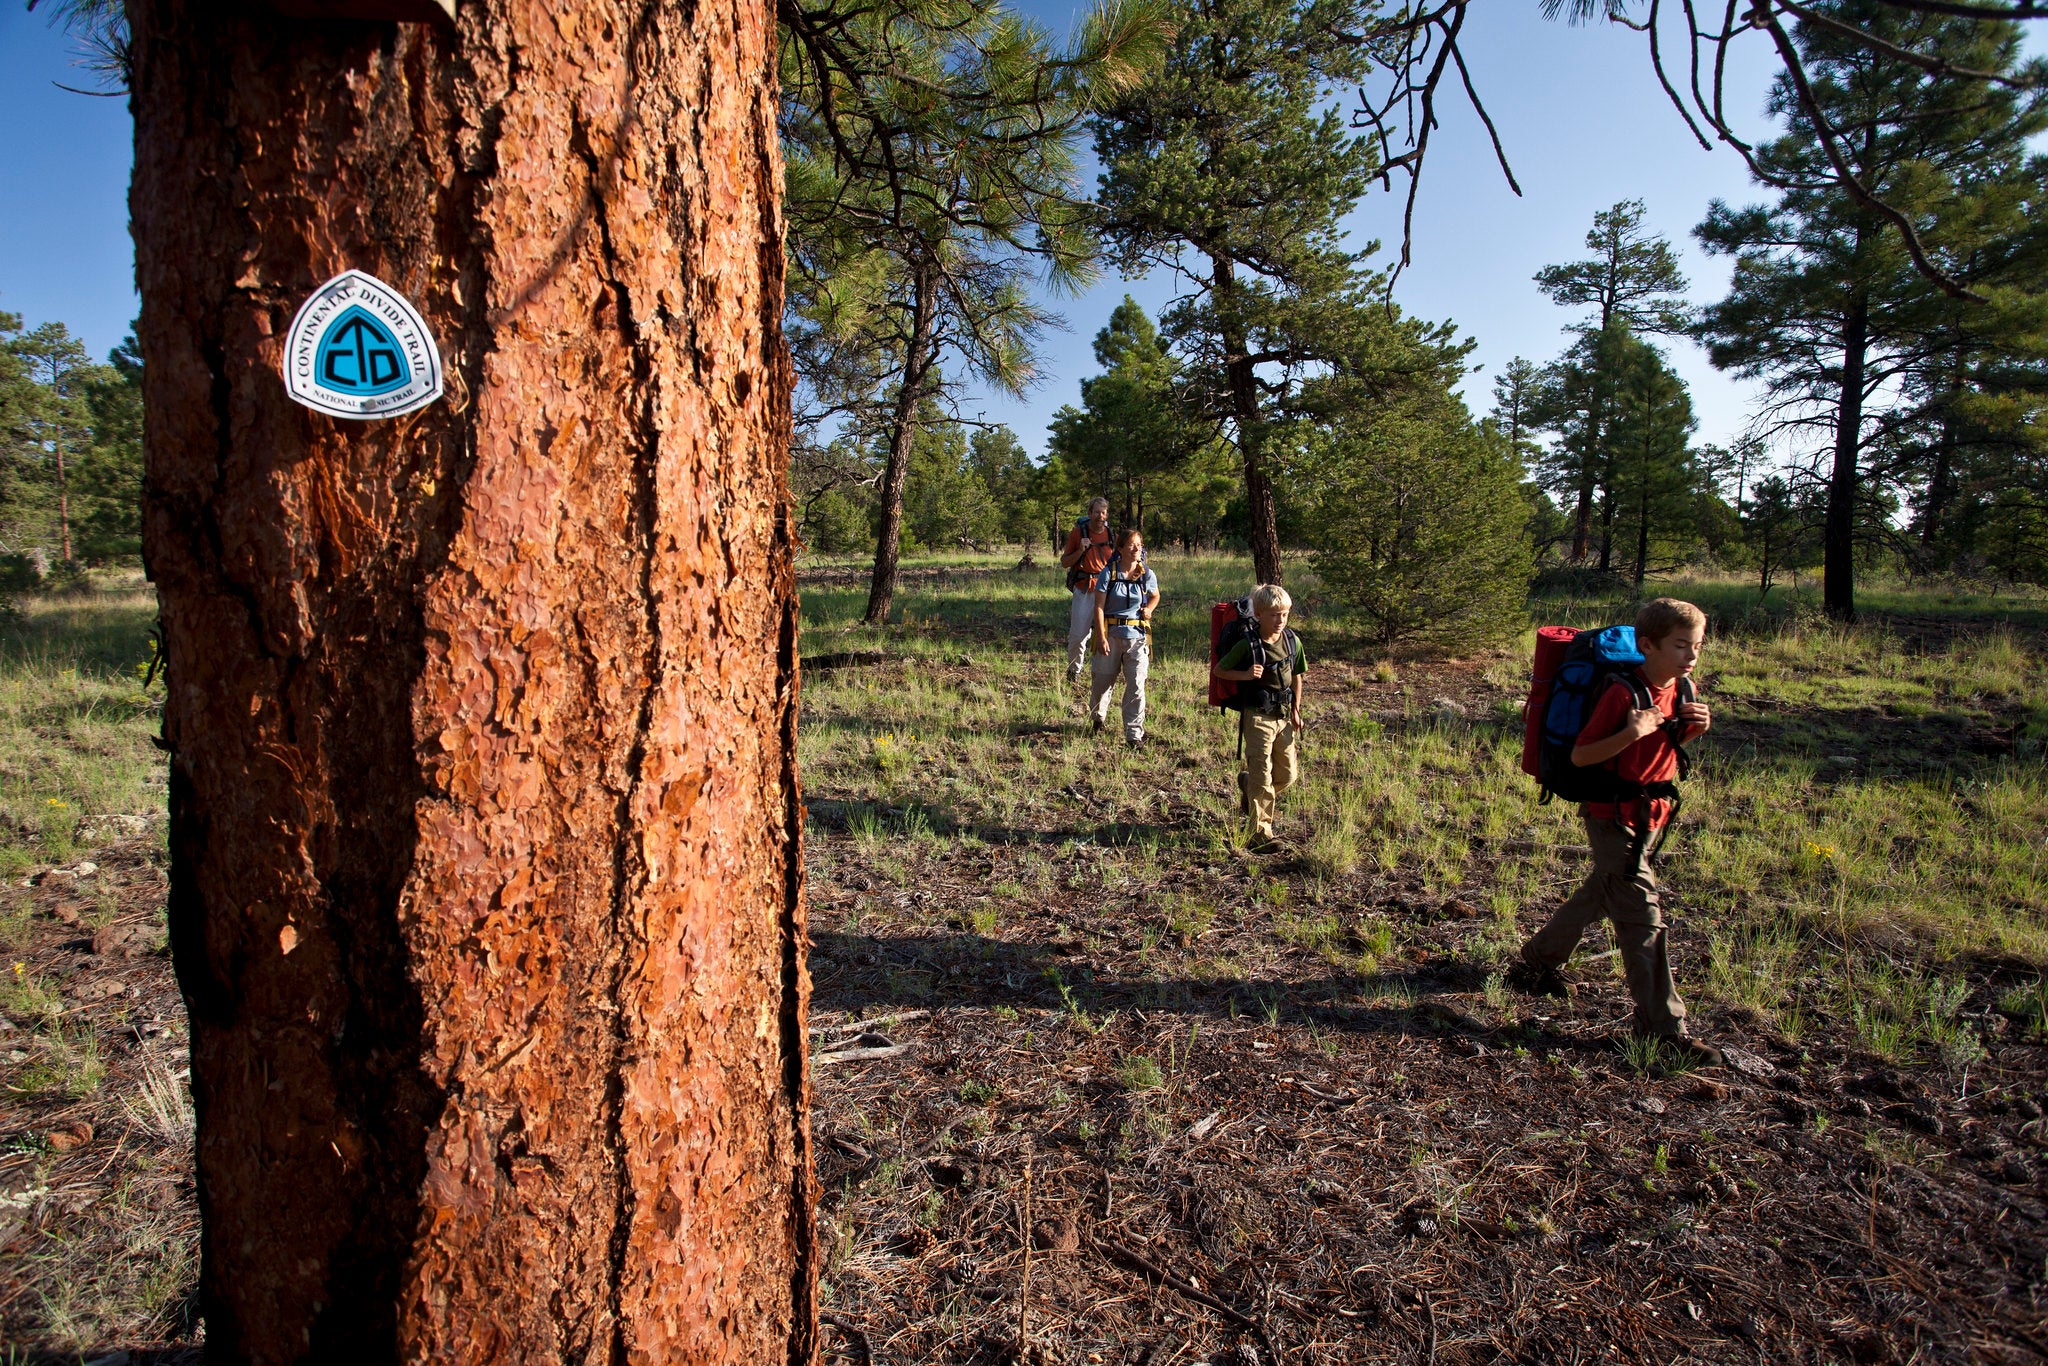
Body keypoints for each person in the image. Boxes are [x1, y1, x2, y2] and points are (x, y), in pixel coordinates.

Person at [1509, 597, 1720, 1064]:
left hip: (1651, 816)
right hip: (1611, 815)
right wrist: (1630, 731)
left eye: (1697, 645)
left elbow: (1659, 749)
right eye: (1680, 645)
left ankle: (1537, 961)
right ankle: (1663, 1029)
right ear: (1648, 645)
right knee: (1642, 918)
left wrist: (1692, 730)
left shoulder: (1683, 687)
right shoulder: (1623, 694)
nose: (1691, 655)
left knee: (1603, 890)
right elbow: (1582, 755)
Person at [1213, 584, 1304, 847]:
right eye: (1274, 615)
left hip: (1283, 717)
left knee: (1287, 775)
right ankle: (1261, 835)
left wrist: (1296, 710)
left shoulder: (1292, 641)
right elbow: (1220, 670)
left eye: (1284, 614)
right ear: (1259, 615)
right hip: (1257, 717)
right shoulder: (1248, 644)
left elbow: (1297, 676)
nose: (1280, 620)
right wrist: (1245, 675)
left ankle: (1247, 783)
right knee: (1262, 777)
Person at [1090, 528, 1159, 747]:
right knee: (1102, 681)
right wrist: (1101, 637)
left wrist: (1149, 609)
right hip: (1111, 635)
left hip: (1137, 637)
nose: (1136, 548)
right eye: (1131, 544)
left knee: (1136, 685)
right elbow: (1098, 607)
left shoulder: (1146, 574)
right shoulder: (1108, 573)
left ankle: (1133, 735)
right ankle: (1098, 717)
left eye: (1139, 544)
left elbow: (1155, 595)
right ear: (1120, 548)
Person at [1060, 498, 1117, 681]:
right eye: (1096, 512)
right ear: (1089, 513)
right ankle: (1074, 672)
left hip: (1107, 591)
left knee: (1107, 634)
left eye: (1103, 512)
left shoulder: (1112, 535)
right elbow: (1064, 562)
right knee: (1078, 635)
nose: (1100, 516)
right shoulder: (1078, 533)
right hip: (1084, 589)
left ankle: (1102, 673)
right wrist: (1080, 551)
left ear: (1107, 515)